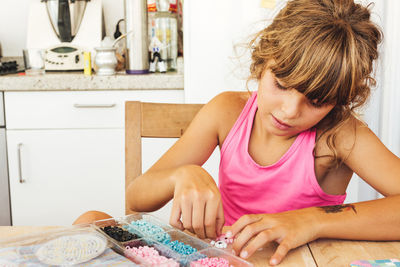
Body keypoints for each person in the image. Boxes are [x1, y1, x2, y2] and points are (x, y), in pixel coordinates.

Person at [75, 0, 400, 265]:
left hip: (292, 261)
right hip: (217, 257)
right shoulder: (226, 111)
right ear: (262, 62)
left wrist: (310, 221)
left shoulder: (339, 135)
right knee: (89, 219)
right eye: (281, 85)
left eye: (316, 100)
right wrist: (182, 175)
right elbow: (136, 198)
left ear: (340, 101)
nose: (289, 111)